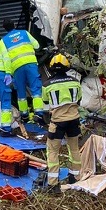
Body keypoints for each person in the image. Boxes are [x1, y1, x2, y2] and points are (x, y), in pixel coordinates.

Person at [41, 53, 83, 187]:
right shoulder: (76, 82)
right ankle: (75, 178)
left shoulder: (47, 85)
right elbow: (79, 100)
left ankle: (53, 183)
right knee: (74, 149)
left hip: (58, 122)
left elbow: (46, 102)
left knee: (53, 151)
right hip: (74, 121)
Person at [0, 19, 45, 124]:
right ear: (14, 25)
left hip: (16, 68)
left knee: (21, 92)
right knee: (36, 89)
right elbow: (37, 46)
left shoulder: (3, 41)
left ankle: (24, 116)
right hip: (31, 64)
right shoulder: (24, 33)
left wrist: (8, 72)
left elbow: (5, 57)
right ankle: (39, 114)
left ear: (4, 29)